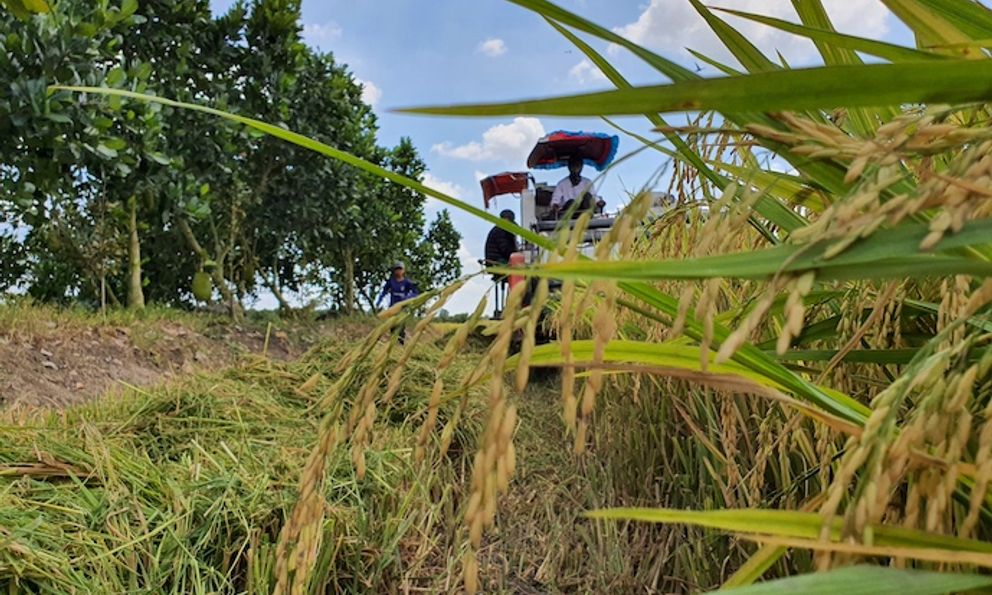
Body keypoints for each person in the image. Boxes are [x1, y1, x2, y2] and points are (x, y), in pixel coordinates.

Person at [375, 262, 419, 342]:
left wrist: (407, 298)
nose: (398, 271)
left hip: (402, 309)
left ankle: (401, 344)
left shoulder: (407, 282)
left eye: (400, 269)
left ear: (403, 271)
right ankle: (392, 343)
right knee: (392, 326)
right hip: (392, 307)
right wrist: (379, 301)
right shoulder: (391, 282)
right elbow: (384, 292)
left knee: (401, 327)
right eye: (396, 269)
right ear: (394, 271)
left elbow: (416, 293)